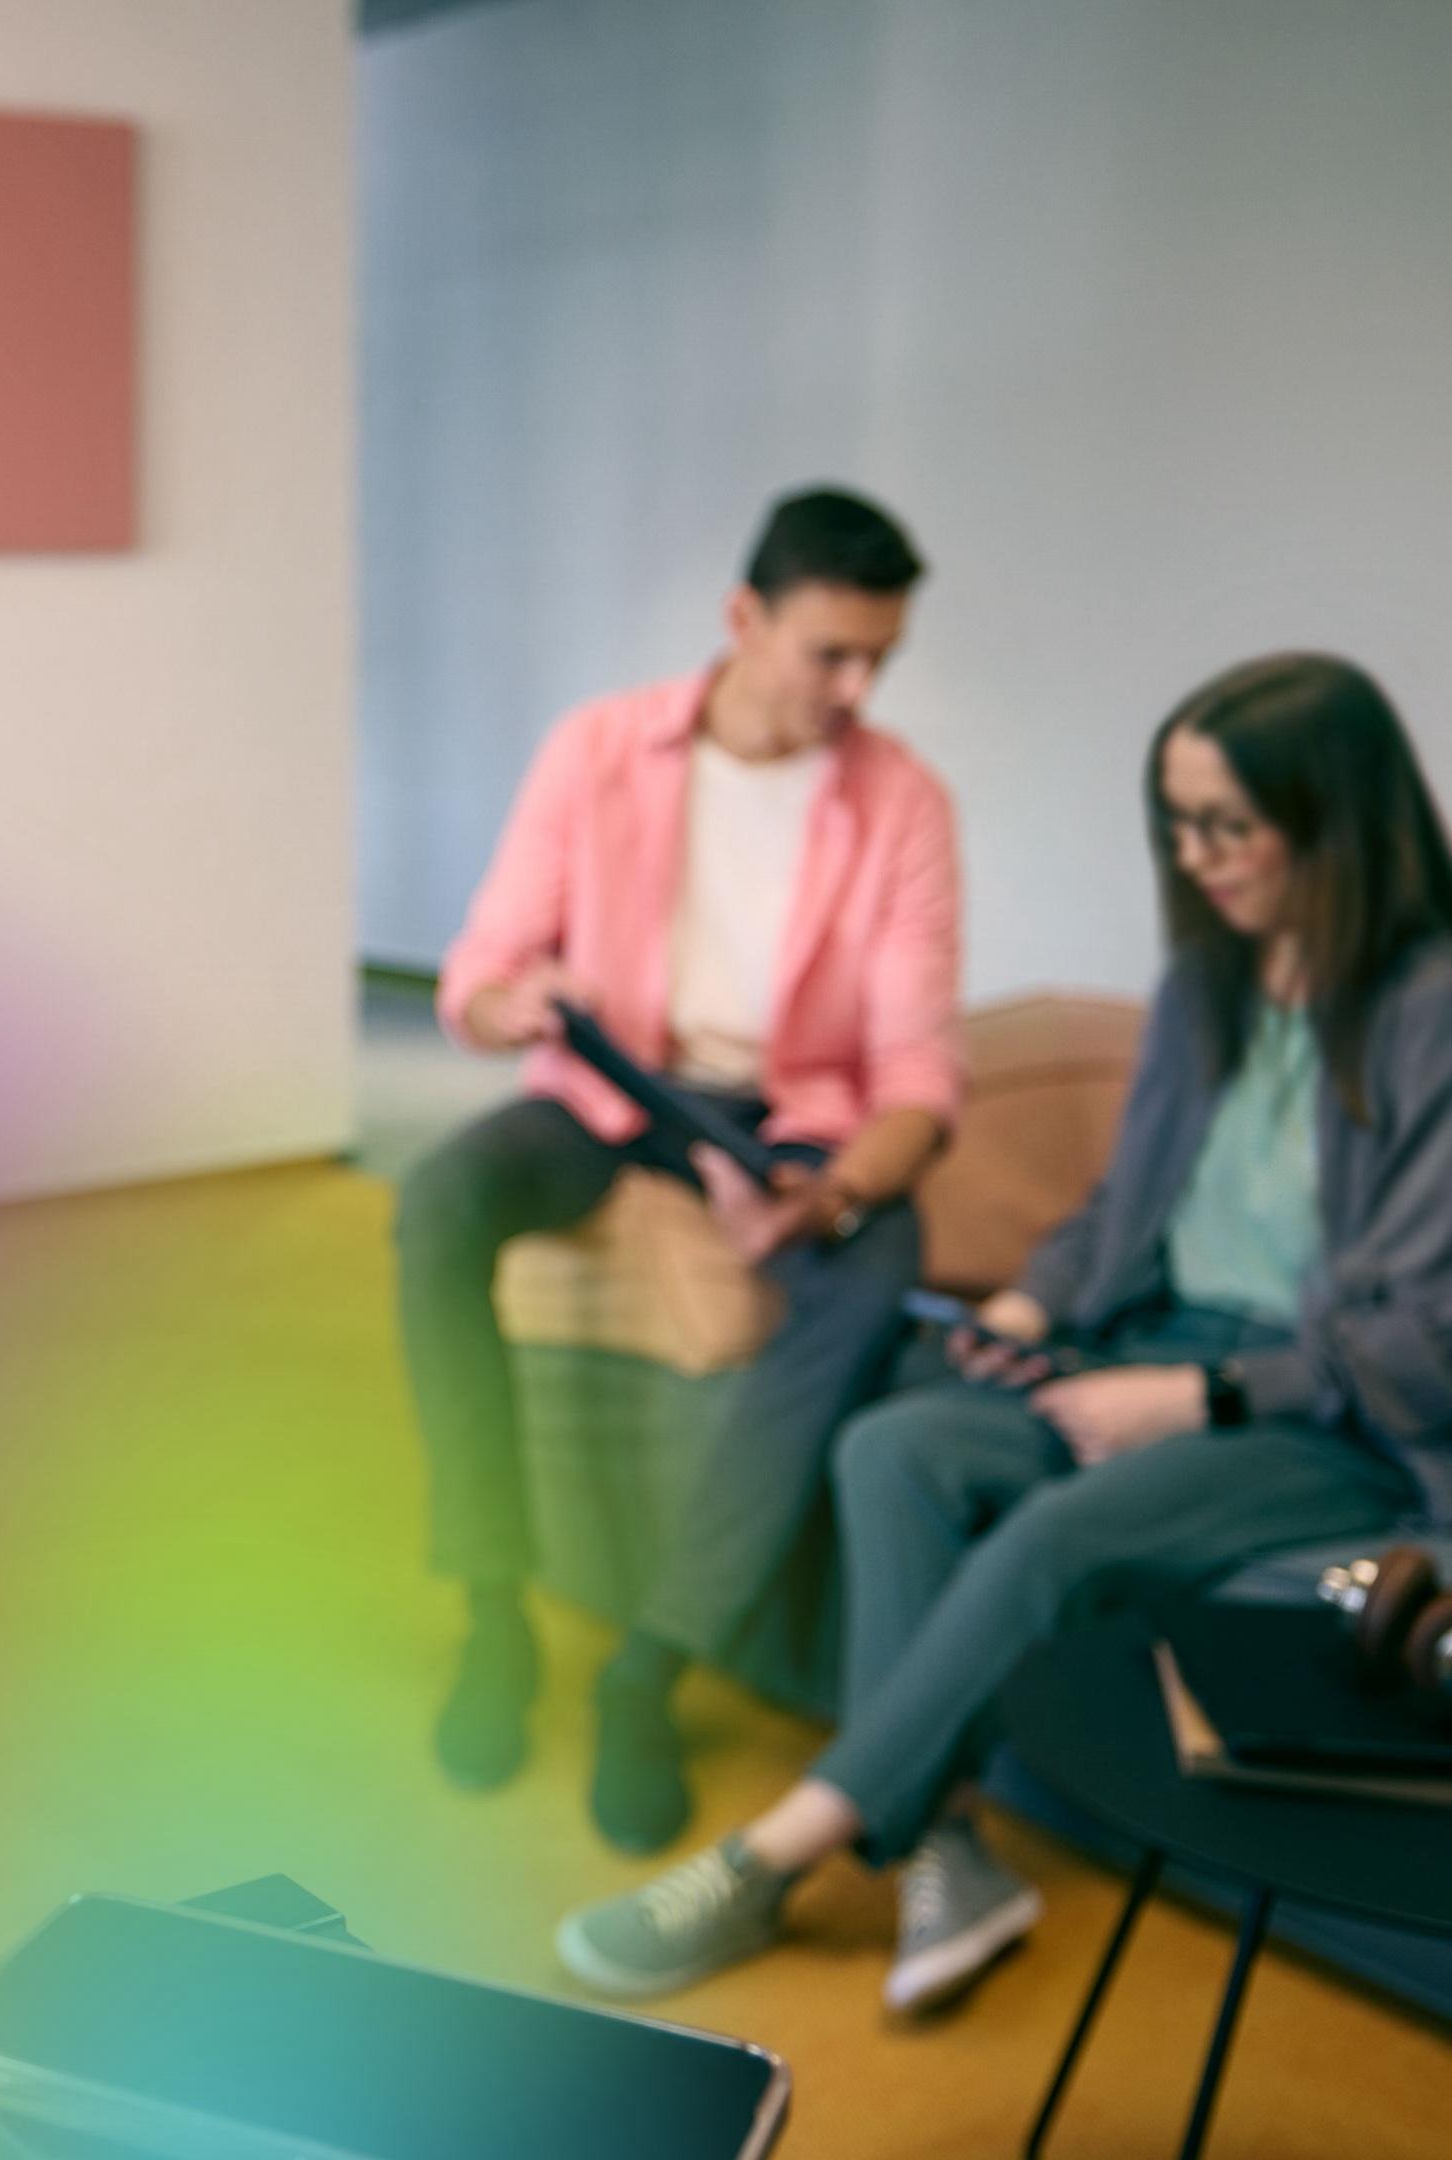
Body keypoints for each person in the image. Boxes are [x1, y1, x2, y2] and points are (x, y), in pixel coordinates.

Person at [554, 652, 1452, 2016]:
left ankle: (778, 1851)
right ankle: (946, 1846)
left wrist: (1198, 1399)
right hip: (1157, 1345)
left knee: (1050, 1534)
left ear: (1332, 818)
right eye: (1177, 824)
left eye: (1226, 826)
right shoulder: (1216, 983)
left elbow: (1441, 1341)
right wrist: (1031, 1306)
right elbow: (1126, 1214)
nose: (1194, 858)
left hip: (1348, 1420)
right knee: (895, 1446)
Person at [401, 486, 964, 1852]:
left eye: (879, 658)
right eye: (830, 652)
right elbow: (476, 975)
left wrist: (827, 1193)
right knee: (439, 1203)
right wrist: (510, 1004)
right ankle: (494, 1609)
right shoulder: (597, 750)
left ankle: (652, 1661)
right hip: (605, 1089)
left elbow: (916, 1080)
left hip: (787, 1118)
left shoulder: (902, 802)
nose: (856, 686)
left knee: (884, 1255)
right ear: (742, 619)